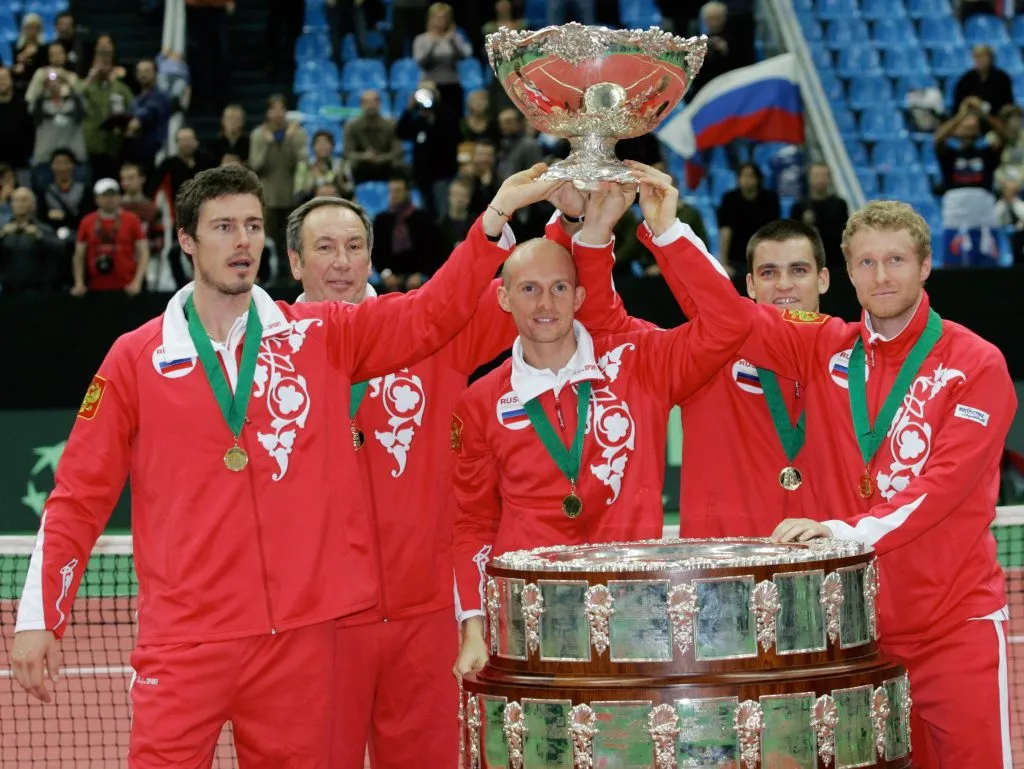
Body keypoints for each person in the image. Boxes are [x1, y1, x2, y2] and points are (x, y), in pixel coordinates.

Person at [8, 163, 534, 768]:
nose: (242, 242)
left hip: (298, 643)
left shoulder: (317, 334)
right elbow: (78, 496)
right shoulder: (135, 358)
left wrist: (493, 223)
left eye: (252, 226)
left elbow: (429, 316)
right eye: (224, 227)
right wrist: (39, 617)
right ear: (186, 240)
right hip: (185, 640)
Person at [285, 170, 584, 768]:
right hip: (317, 621)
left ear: (372, 256)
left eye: (354, 248)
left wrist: (569, 222)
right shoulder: (270, 351)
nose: (342, 263)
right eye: (324, 248)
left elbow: (536, 293)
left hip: (424, 616)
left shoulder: (430, 326)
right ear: (294, 263)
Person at [729, 201, 1016, 768]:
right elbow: (729, 317)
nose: (882, 276)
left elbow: (941, 490)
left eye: (896, 260)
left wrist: (840, 532)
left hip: (954, 628)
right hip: (861, 635)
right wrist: (666, 229)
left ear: (926, 265)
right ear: (847, 272)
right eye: (867, 262)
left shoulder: (975, 365)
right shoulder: (825, 344)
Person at [452, 169, 754, 676]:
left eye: (558, 288)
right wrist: (473, 629)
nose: (544, 304)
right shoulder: (480, 401)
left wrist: (667, 232)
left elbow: (730, 323)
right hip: (529, 616)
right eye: (528, 288)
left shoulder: (639, 362)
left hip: (636, 608)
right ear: (504, 299)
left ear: (580, 297)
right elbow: (471, 525)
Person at [575, 203, 831, 536]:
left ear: (823, 279)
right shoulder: (709, 352)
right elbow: (607, 325)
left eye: (799, 270)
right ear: (750, 285)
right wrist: (593, 232)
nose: (784, 284)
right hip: (725, 569)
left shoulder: (850, 353)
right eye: (769, 272)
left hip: (826, 555)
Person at [71, 178, 149, 296]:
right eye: (104, 196)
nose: (109, 200)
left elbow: (143, 252)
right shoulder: (87, 221)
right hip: (95, 289)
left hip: (126, 288)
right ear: (96, 198)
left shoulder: (132, 219)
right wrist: (79, 283)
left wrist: (137, 282)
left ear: (119, 197)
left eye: (112, 195)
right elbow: (79, 255)